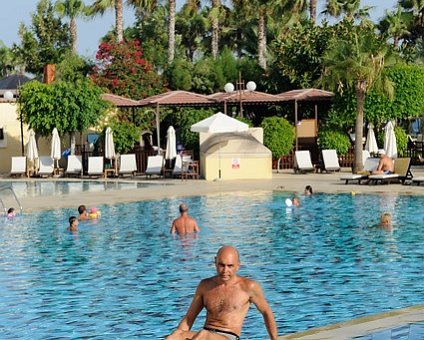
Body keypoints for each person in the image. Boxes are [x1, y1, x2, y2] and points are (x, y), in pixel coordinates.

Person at [166, 245, 278, 340]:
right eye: (221, 265)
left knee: (204, 335)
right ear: (215, 261)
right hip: (205, 335)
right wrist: (179, 335)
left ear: (238, 266)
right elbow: (189, 318)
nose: (225, 271)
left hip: (228, 337)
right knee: (174, 336)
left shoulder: (248, 286)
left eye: (230, 266)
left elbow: (266, 312)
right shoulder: (205, 285)